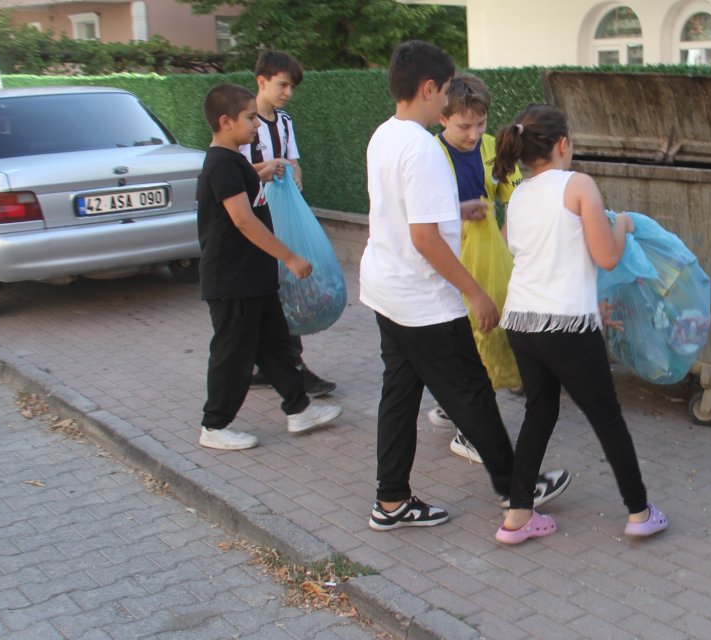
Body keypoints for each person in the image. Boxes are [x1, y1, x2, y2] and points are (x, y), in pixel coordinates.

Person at [359, 41, 569, 531]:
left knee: (400, 393)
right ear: (430, 88)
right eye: (446, 88)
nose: (447, 99)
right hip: (421, 298)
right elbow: (425, 237)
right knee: (472, 391)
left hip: (385, 287)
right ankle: (517, 488)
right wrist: (474, 292)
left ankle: (391, 501)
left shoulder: (385, 136)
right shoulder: (424, 151)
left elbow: (407, 217)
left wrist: (458, 212)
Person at [489, 104, 668, 544]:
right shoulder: (579, 185)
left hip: (522, 321)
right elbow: (606, 255)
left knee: (539, 412)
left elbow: (531, 253)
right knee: (606, 417)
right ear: (562, 144)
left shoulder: (519, 195)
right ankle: (639, 511)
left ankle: (517, 515)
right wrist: (623, 224)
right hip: (568, 325)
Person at [196, 83, 342, 451]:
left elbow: (245, 184)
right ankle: (214, 425)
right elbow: (243, 220)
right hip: (233, 281)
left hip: (254, 278)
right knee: (233, 354)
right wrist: (289, 257)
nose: (256, 125)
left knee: (276, 345)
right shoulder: (221, 165)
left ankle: (299, 409)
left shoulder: (236, 162)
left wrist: (265, 171)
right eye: (249, 119)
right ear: (225, 122)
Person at [426, 72, 524, 465]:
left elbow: (514, 194)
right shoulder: (429, 155)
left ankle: (463, 417)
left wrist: (506, 231)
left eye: (480, 124)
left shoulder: (491, 149)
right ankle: (468, 425)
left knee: (488, 336)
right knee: (458, 339)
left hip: (490, 260)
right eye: (464, 125)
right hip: (446, 260)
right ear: (443, 119)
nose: (473, 133)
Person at [239, 49, 336, 398]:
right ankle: (280, 366)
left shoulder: (284, 122)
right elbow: (229, 172)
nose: (287, 93)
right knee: (267, 292)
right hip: (252, 219)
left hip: (280, 217)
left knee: (283, 289)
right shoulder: (241, 120)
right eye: (282, 85)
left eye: (291, 87)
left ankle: (279, 364)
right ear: (261, 81)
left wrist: (294, 173)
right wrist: (268, 170)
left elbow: (295, 164)